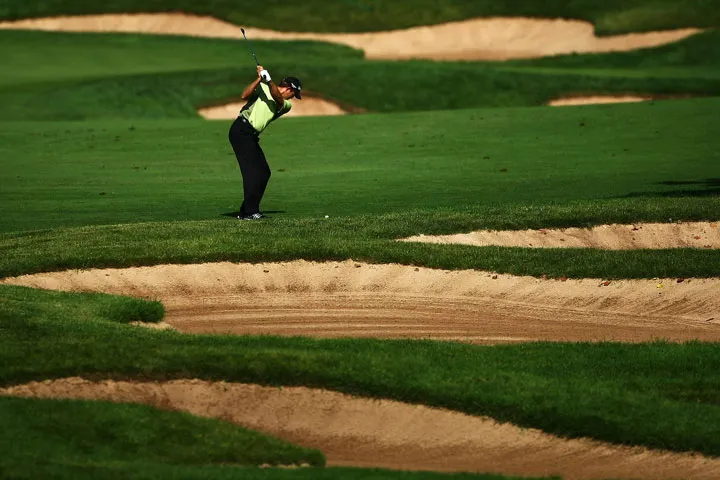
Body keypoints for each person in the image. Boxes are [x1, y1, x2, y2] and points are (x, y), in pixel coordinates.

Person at [228, 65, 302, 220]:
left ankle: (247, 210)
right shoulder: (263, 86)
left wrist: (269, 81)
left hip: (250, 135)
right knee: (252, 173)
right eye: (294, 94)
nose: (293, 98)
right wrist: (259, 79)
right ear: (289, 88)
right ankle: (249, 212)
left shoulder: (285, 105)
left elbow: (277, 97)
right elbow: (244, 95)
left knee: (263, 172)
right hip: (241, 130)